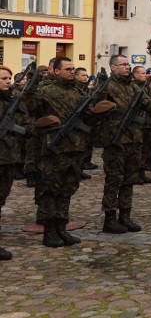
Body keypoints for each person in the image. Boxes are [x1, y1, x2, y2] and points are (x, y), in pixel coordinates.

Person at [26, 57, 115, 247]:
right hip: (53, 149)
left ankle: (61, 227)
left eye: (73, 68)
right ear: (56, 71)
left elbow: (88, 117)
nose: (71, 71)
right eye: (67, 68)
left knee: (67, 189)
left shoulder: (77, 92)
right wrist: (32, 84)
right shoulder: (46, 91)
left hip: (75, 147)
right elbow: (32, 109)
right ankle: (49, 231)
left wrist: (100, 112)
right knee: (49, 190)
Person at [99, 56, 151, 234]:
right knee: (114, 180)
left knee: (129, 180)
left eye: (128, 64)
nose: (127, 67)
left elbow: (148, 105)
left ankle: (125, 216)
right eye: (123, 65)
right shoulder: (106, 87)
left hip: (134, 139)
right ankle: (110, 218)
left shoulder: (133, 86)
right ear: (113, 67)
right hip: (115, 140)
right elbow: (94, 109)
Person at [0, 65, 30, 260]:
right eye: (3, 78)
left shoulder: (12, 100)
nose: (8, 81)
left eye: (9, 78)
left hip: (8, 158)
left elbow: (25, 124)